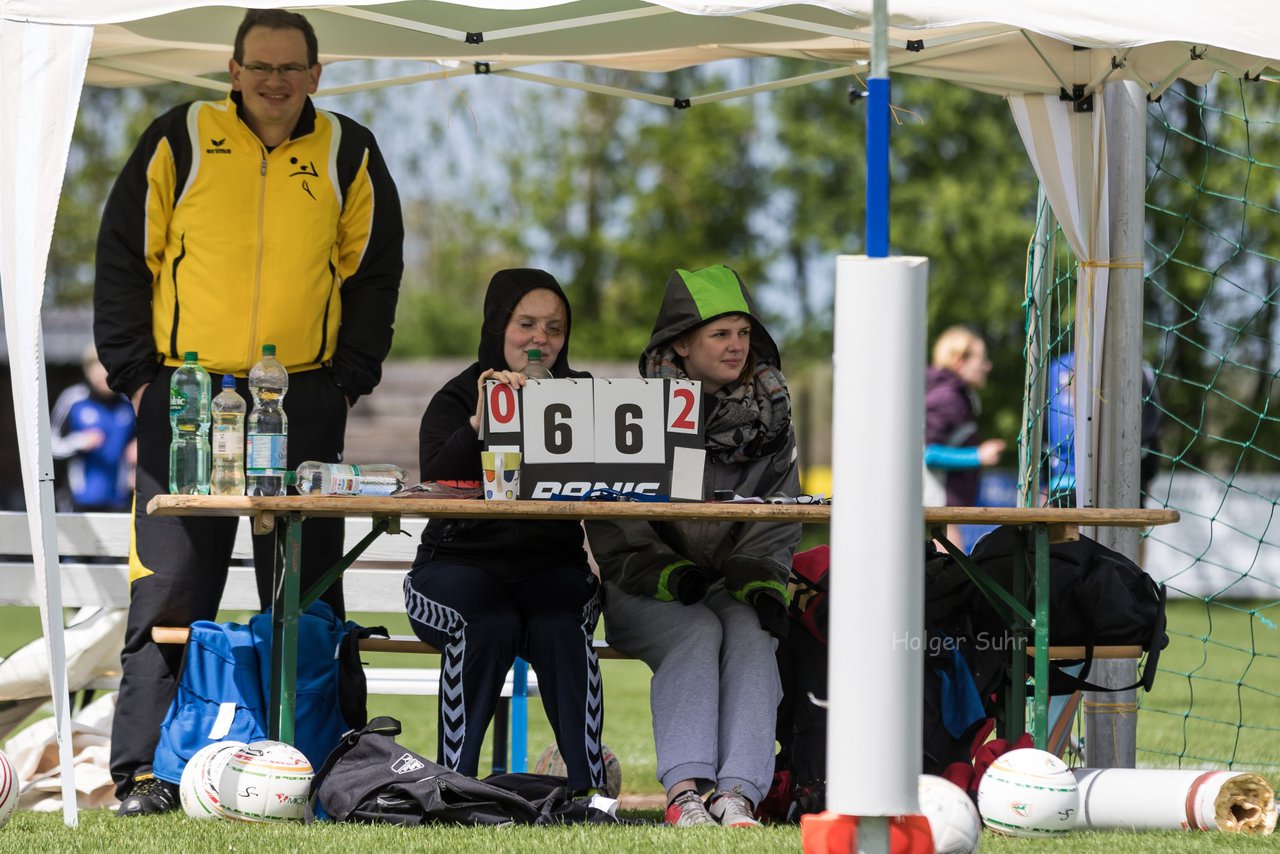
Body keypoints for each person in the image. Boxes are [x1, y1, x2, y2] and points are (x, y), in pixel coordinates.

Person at [93, 9, 403, 816]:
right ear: (231, 71)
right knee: (168, 589)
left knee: (306, 591)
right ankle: (145, 775)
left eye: (289, 68)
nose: (273, 81)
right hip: (188, 394)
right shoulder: (181, 135)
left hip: (300, 394)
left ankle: (328, 762)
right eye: (258, 67)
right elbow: (126, 253)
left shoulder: (349, 149)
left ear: (316, 75)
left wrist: (346, 381)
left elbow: (374, 270)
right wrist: (138, 379)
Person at [586, 264, 801, 828]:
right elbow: (610, 518)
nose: (737, 346)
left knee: (753, 634)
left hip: (730, 586)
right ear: (680, 345)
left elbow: (781, 514)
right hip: (645, 589)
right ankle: (685, 796)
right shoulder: (633, 415)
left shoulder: (775, 419)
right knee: (696, 628)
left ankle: (738, 796)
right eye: (720, 333)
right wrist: (668, 573)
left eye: (744, 332)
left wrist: (759, 578)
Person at [404, 268, 605, 794]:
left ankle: (589, 793)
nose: (541, 339)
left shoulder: (581, 395)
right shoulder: (457, 398)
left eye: (555, 328)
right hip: (456, 566)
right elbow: (436, 485)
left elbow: (617, 482)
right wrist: (480, 420)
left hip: (549, 570)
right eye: (527, 324)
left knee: (564, 623)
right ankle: (455, 786)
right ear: (498, 326)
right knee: (486, 622)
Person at [924, 325, 1006, 550]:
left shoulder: (956, 397)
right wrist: (978, 456)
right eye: (981, 360)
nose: (987, 366)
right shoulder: (948, 399)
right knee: (950, 573)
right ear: (960, 362)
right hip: (935, 507)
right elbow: (928, 453)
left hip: (939, 510)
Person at [51, 345, 137, 512]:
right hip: (77, 501)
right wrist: (80, 441)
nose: (101, 373)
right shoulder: (74, 399)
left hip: (120, 500)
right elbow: (48, 445)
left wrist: (139, 447)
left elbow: (145, 441)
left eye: (106, 366)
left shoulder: (128, 403)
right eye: (95, 366)